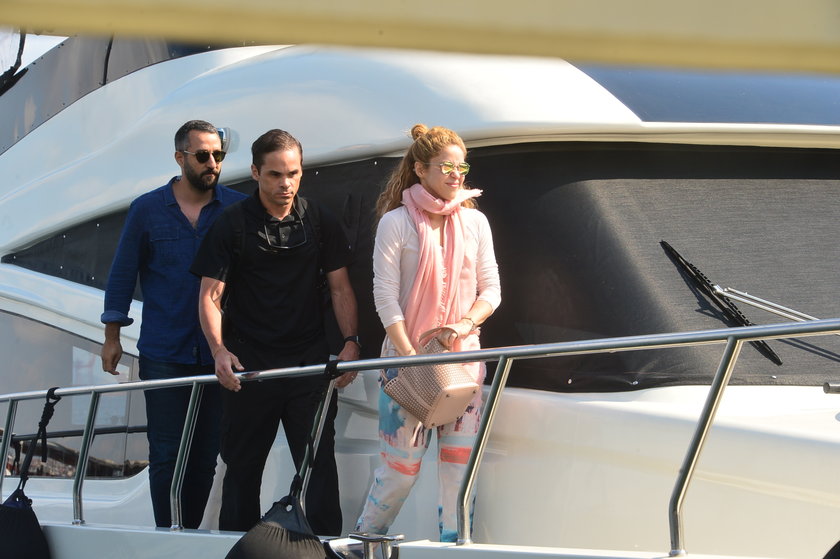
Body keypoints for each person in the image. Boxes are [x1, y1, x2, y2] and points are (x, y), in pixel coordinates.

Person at [191, 128, 360, 535]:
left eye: (293, 173)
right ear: (255, 172)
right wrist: (218, 351)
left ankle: (324, 549)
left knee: (319, 468)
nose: (286, 183)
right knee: (242, 471)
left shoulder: (320, 220)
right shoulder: (231, 224)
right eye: (275, 175)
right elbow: (210, 296)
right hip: (249, 368)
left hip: (309, 365)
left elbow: (340, 288)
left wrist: (351, 342)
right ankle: (239, 547)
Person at [354, 124, 501, 542]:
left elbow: (492, 290)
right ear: (420, 169)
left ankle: (455, 549)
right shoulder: (395, 223)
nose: (456, 175)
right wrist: (410, 358)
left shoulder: (476, 222)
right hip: (405, 364)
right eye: (446, 167)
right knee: (400, 471)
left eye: (462, 167)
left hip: (462, 364)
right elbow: (385, 297)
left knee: (459, 474)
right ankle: (363, 544)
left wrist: (464, 324)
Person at [100, 120, 247, 528]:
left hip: (221, 351)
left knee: (206, 456)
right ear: (180, 158)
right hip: (164, 351)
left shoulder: (237, 208)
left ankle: (191, 537)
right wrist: (112, 336)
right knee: (166, 454)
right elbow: (122, 274)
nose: (212, 162)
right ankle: (168, 535)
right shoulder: (147, 209)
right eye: (203, 155)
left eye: (218, 154)